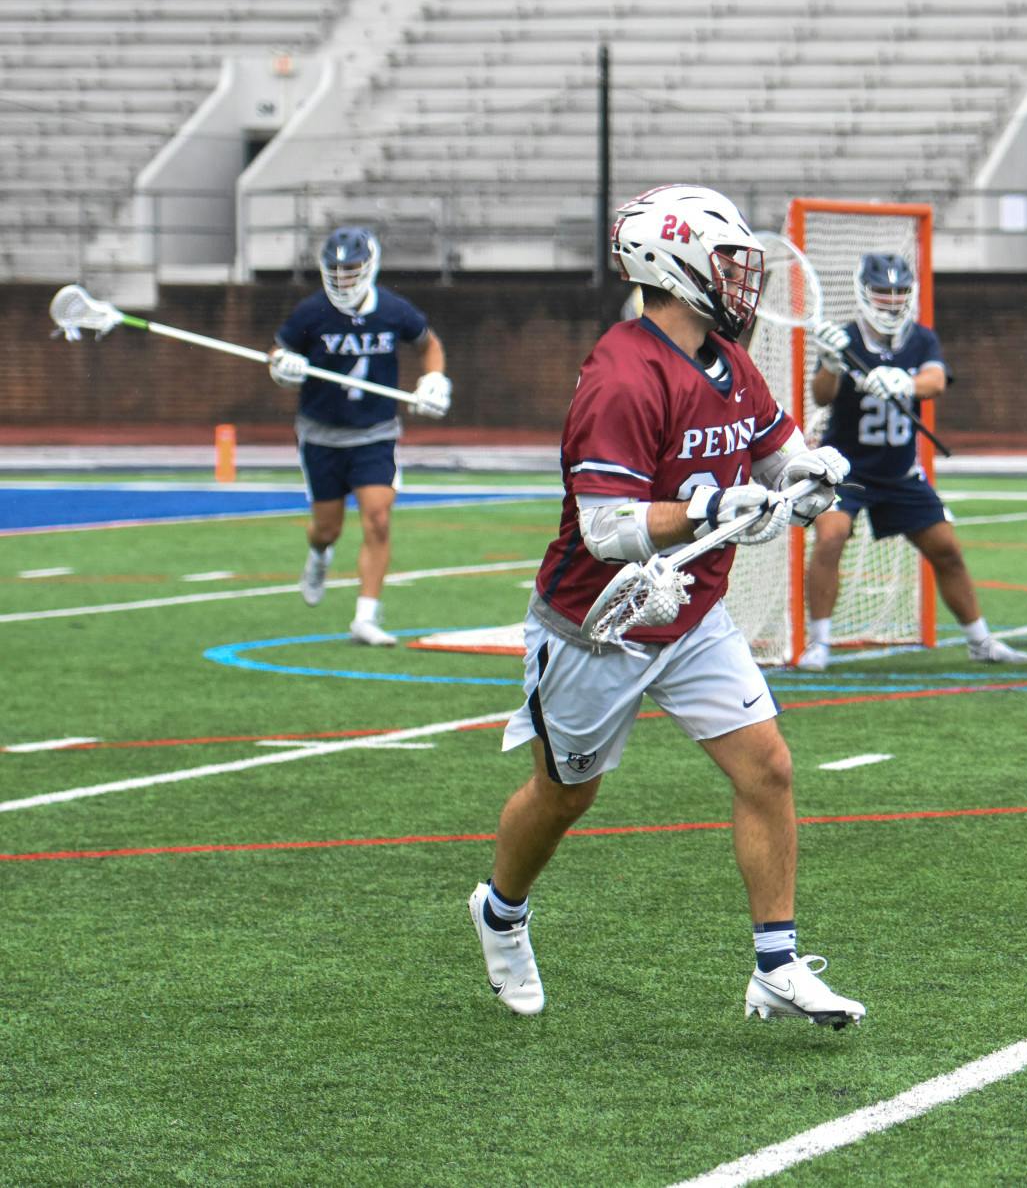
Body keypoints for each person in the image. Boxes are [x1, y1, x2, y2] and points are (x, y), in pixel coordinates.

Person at [468, 184, 865, 1027]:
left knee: (769, 767)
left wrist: (808, 481)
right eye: (725, 260)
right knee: (565, 793)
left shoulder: (727, 356)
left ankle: (776, 964)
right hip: (599, 622)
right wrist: (714, 510)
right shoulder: (622, 374)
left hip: (693, 614)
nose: (740, 278)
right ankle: (500, 911)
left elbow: (777, 456)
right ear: (673, 264)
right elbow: (606, 527)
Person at [795, 252, 1027, 671]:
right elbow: (822, 396)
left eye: (899, 291)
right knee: (830, 537)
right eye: (882, 292)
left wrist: (905, 381)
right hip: (847, 470)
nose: (890, 300)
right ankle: (820, 643)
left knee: (948, 551)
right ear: (864, 293)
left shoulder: (921, 339)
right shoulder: (844, 339)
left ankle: (980, 641)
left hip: (900, 473)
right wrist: (831, 364)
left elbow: (936, 380)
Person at [269, 226, 450, 646]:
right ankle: (319, 554)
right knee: (327, 528)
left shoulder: (393, 310)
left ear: (368, 267)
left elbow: (428, 343)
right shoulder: (312, 313)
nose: (343, 279)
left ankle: (365, 616)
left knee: (378, 517)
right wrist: (284, 367)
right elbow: (277, 354)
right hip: (322, 435)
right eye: (336, 270)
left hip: (375, 432)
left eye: (351, 270)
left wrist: (434, 379)